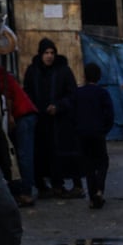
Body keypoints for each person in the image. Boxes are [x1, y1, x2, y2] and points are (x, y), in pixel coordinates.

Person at [23, 37, 82, 198]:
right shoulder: (32, 71)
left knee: (61, 154)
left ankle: (60, 185)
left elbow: (72, 94)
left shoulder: (63, 70)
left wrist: (59, 106)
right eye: (46, 53)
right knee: (40, 154)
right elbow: (27, 92)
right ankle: (42, 186)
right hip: (39, 121)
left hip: (60, 122)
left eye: (52, 53)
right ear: (41, 54)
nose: (49, 56)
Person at [73, 63, 114, 209]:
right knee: (102, 162)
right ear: (99, 77)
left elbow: (72, 112)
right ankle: (99, 191)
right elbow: (110, 115)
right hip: (97, 133)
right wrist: (104, 130)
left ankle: (92, 196)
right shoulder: (102, 93)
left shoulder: (78, 93)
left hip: (82, 133)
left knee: (88, 165)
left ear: (84, 76)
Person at [0, 64, 38, 207]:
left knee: (23, 155)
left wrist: (9, 117)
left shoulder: (1, 75)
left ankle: (25, 192)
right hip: (24, 114)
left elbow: (8, 97)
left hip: (23, 116)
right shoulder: (3, 74)